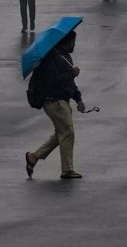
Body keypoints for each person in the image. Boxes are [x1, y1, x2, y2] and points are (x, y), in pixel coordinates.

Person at [24, 29, 85, 180]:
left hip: (61, 101)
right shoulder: (52, 57)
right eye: (72, 42)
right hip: (54, 101)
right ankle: (67, 170)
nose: (74, 45)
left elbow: (69, 83)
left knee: (61, 133)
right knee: (68, 132)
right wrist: (71, 73)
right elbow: (54, 80)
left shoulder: (64, 57)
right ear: (66, 41)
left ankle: (33, 157)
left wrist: (78, 99)